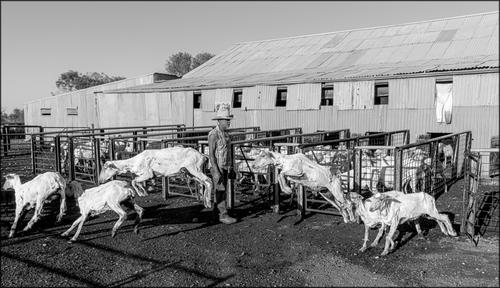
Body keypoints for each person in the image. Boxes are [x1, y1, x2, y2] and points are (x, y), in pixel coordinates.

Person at [208, 103, 237, 225]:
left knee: (221, 190)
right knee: (220, 189)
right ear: (219, 121)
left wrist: (231, 167)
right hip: (217, 166)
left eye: (229, 120)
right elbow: (211, 153)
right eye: (226, 120)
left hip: (224, 166)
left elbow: (228, 152)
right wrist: (215, 170)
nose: (229, 122)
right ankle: (223, 215)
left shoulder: (226, 134)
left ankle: (217, 213)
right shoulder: (213, 134)